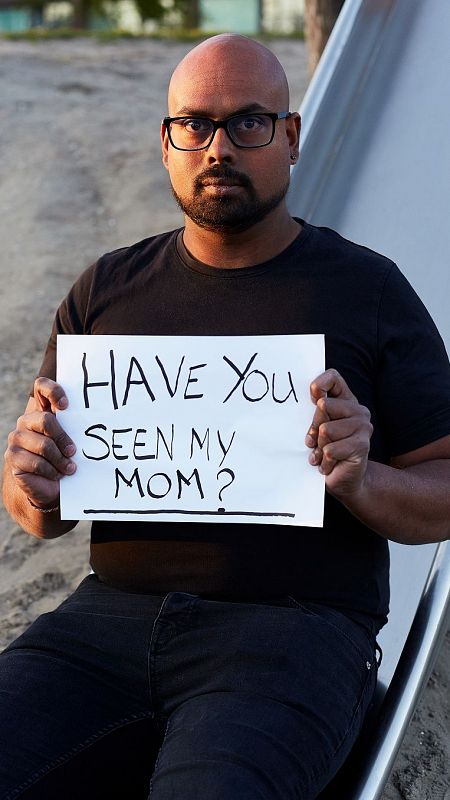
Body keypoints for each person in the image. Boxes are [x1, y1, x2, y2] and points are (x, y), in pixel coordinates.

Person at [2, 33, 450, 800]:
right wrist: (32, 482)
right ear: (168, 142)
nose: (218, 147)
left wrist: (361, 480)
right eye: (195, 125)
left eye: (248, 123)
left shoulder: (368, 292)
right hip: (104, 625)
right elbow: (41, 515)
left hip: (293, 635)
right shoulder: (105, 292)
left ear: (292, 136)